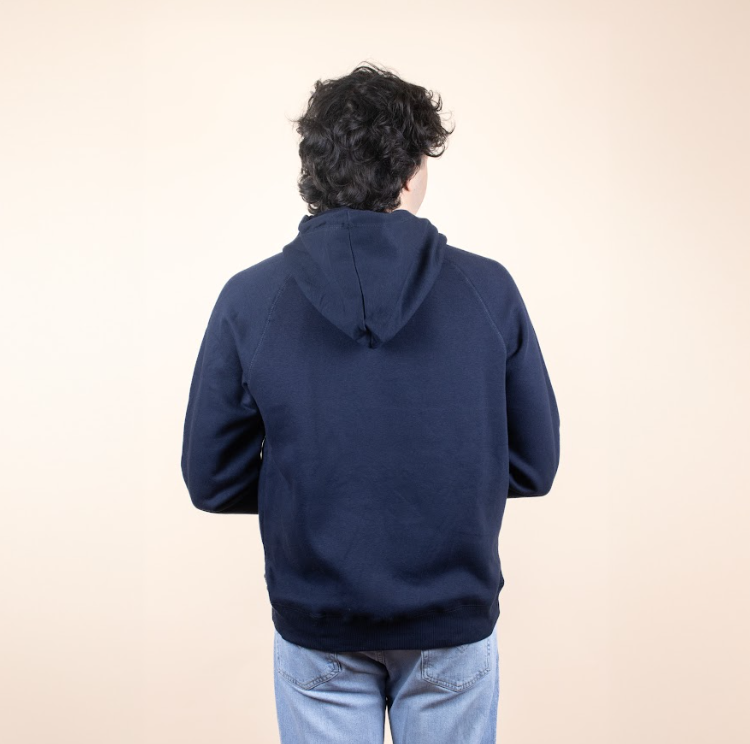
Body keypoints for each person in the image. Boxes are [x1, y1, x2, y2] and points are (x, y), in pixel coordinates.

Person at [181, 61, 561, 744]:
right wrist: (440, 483)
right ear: (412, 171)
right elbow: (535, 465)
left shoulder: (250, 299)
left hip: (318, 618)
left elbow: (212, 479)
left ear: (315, 170)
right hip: (452, 617)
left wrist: (317, 492)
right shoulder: (488, 290)